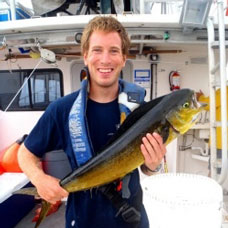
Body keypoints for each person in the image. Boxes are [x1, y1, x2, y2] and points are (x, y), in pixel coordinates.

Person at [18, 16, 167, 228]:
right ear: (85, 56)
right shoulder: (61, 110)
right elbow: (25, 153)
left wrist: (154, 166)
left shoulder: (140, 108)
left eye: (114, 51)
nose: (105, 59)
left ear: (124, 58)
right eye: (97, 50)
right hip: (82, 221)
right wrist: (39, 179)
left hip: (131, 220)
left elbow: (147, 168)